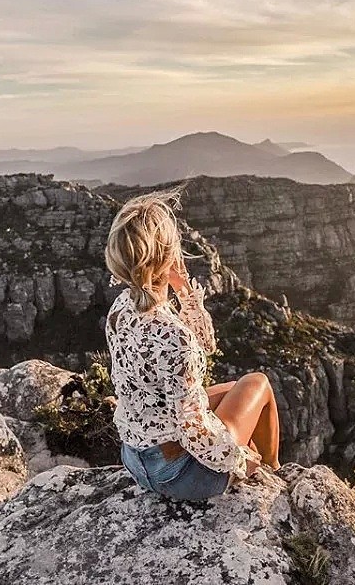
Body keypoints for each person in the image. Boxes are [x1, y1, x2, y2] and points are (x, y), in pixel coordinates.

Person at [104, 186, 281, 501]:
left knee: (235, 389)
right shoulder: (171, 334)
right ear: (168, 254)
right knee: (259, 383)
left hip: (136, 459)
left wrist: (183, 289)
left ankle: (267, 464)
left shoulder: (120, 309)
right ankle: (274, 471)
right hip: (181, 477)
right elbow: (192, 430)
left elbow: (205, 345)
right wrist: (241, 462)